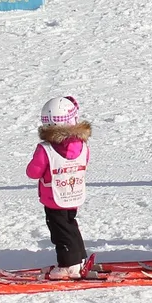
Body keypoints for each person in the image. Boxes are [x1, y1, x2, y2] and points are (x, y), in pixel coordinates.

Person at [25, 96, 91, 279]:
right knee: (70, 225)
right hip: (73, 193)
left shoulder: (46, 149)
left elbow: (33, 172)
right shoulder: (82, 145)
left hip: (54, 197)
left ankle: (68, 265)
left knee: (60, 231)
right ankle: (78, 259)